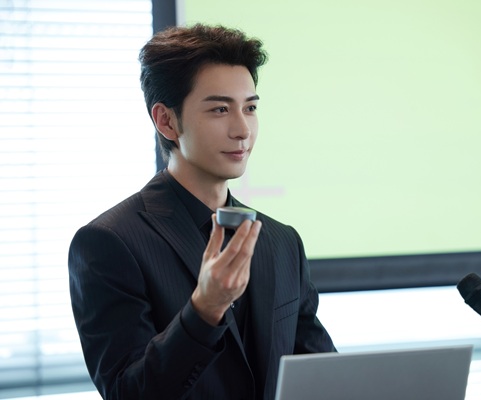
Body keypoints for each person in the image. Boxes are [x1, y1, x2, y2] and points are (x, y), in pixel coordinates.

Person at [68, 23, 336, 400]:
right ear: (166, 121)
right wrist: (204, 310)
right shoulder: (109, 242)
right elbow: (127, 393)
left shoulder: (282, 241)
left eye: (250, 108)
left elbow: (323, 375)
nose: (242, 130)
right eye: (220, 109)